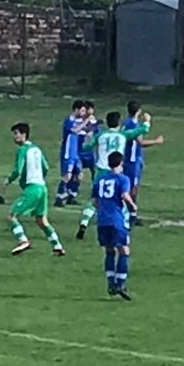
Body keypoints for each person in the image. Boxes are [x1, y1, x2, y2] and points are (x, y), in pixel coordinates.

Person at [76, 110, 152, 239]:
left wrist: (88, 135)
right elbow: (142, 131)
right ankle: (124, 226)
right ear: (119, 123)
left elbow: (86, 147)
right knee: (121, 198)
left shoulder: (100, 136)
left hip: (101, 171)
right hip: (116, 171)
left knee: (94, 200)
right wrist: (147, 121)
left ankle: (84, 223)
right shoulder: (123, 135)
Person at [5, 122, 65, 257]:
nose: (14, 137)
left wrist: (7, 181)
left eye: (16, 134)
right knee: (41, 221)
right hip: (42, 188)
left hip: (32, 188)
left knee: (11, 217)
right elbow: (46, 167)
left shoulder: (22, 150)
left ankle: (23, 241)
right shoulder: (37, 149)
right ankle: (57, 246)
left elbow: (17, 170)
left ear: (24, 135)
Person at [92, 151, 138, 300]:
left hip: (102, 221)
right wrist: (133, 206)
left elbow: (95, 201)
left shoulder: (100, 179)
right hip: (116, 220)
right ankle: (121, 283)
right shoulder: (123, 179)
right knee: (124, 250)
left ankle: (111, 283)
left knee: (109, 250)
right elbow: (125, 195)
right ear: (121, 163)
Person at [122, 100, 165, 226]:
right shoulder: (132, 125)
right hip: (131, 160)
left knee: (133, 188)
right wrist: (156, 141)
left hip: (134, 159)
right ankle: (130, 215)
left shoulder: (128, 123)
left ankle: (131, 215)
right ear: (139, 111)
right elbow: (140, 142)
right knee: (132, 189)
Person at [55, 99, 87, 208]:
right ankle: (59, 197)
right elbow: (74, 130)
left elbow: (83, 131)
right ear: (76, 109)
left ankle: (71, 195)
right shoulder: (69, 120)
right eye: (82, 111)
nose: (83, 114)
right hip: (68, 153)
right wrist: (86, 122)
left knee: (79, 175)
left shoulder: (78, 121)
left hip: (75, 154)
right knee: (67, 175)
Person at [78, 101, 100, 181]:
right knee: (78, 173)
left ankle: (95, 186)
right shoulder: (79, 122)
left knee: (94, 171)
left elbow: (98, 136)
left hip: (91, 153)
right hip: (80, 152)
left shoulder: (94, 123)